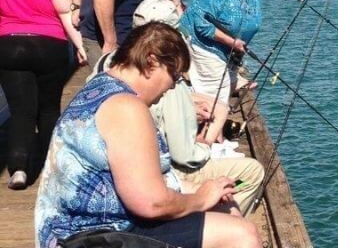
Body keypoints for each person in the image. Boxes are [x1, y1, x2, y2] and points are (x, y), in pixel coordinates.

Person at [35, 22, 261, 248]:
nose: (172, 87)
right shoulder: (127, 108)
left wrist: (205, 190)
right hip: (91, 238)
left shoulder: (100, 88)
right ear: (151, 62)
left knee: (225, 208)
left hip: (74, 230)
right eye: (174, 75)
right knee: (243, 234)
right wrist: (201, 198)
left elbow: (136, 181)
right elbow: (151, 203)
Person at [90, 1, 265, 217]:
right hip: (159, 178)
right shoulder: (148, 93)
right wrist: (205, 146)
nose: (173, 83)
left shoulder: (109, 64)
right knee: (251, 173)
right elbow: (184, 157)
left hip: (123, 181)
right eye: (174, 74)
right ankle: (217, 219)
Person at [0, 0, 87, 190]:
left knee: (20, 111)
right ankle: (53, 166)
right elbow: (62, 8)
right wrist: (80, 44)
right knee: (48, 108)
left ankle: (18, 169)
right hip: (49, 44)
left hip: (9, 42)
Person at [180, 0, 263, 144]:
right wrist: (230, 41)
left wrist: (236, 46)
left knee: (223, 93)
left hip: (231, 52)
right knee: (213, 100)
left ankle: (212, 138)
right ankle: (206, 144)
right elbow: (201, 23)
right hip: (205, 46)